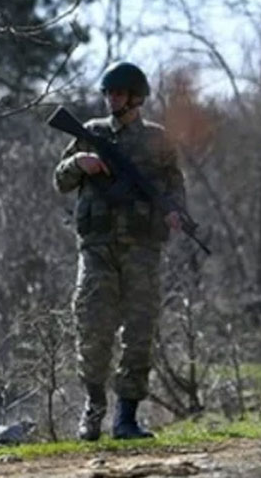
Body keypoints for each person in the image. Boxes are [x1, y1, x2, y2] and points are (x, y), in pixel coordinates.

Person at [53, 61, 186, 441]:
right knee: (93, 330)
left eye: (120, 93)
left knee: (139, 333)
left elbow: (175, 186)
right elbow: (60, 180)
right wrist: (78, 162)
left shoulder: (159, 140)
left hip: (143, 250)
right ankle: (93, 410)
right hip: (97, 250)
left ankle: (126, 418)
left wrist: (176, 212)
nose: (112, 99)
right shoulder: (90, 133)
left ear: (136, 97)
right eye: (108, 93)